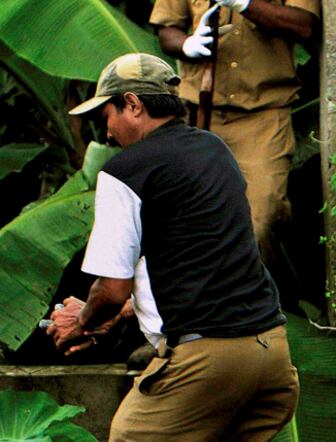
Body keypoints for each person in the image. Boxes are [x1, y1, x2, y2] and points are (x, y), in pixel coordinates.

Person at [47, 53, 298, 441]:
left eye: (107, 116)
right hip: (272, 356)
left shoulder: (124, 173)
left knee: (130, 436)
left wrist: (81, 323)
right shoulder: (214, 150)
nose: (107, 133)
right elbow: (197, 260)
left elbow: (111, 290)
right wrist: (120, 314)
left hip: (207, 362)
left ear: (133, 104)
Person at [150, 0, 320, 269]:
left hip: (264, 116)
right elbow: (166, 28)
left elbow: (304, 24)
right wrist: (187, 45)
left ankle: (259, 306)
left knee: (260, 221)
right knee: (188, 226)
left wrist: (245, 1)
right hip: (196, 115)